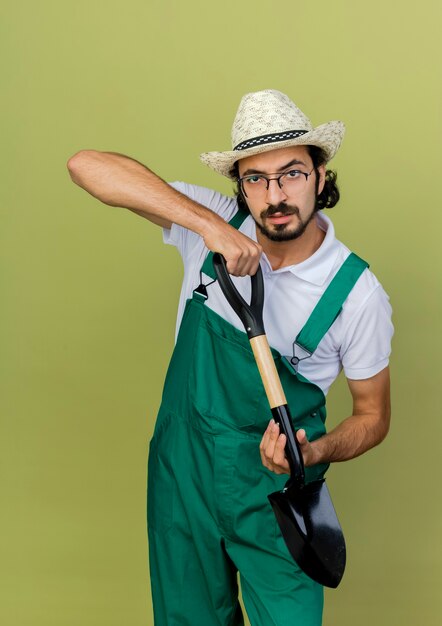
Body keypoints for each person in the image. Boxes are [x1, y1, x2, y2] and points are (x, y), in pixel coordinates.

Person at [67, 89, 393, 626]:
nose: (275, 195)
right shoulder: (212, 224)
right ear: (239, 187)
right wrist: (209, 226)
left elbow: (373, 416)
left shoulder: (355, 293)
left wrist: (314, 452)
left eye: (291, 173)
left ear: (320, 174)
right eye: (255, 180)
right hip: (184, 477)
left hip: (276, 496)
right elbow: (87, 167)